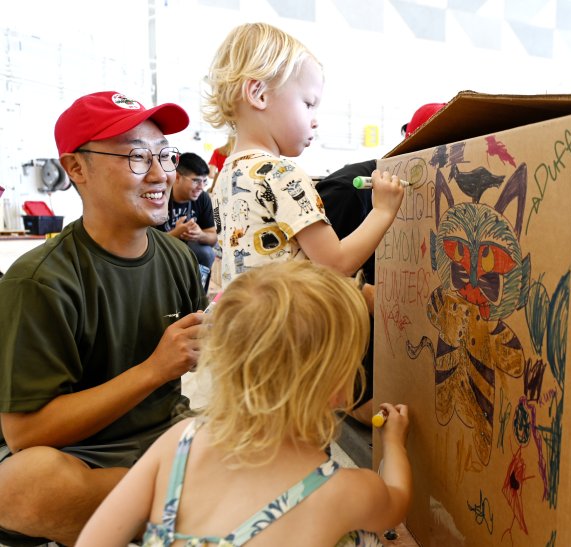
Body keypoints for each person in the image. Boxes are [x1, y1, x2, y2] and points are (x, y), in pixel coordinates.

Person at [76, 260, 412, 546]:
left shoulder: (180, 441)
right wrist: (394, 442)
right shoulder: (341, 490)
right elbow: (395, 503)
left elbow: (93, 540)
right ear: (337, 387)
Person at [0, 91, 206, 547]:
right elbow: (26, 435)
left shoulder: (177, 257)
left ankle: (149, 515)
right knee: (23, 482)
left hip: (163, 437)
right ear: (75, 169)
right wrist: (155, 369)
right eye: (136, 156)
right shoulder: (39, 280)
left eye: (164, 155)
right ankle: (177, 512)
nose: (159, 174)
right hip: (78, 457)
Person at [202, 22, 405, 293]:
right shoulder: (281, 173)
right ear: (258, 94)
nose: (315, 121)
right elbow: (335, 263)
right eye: (308, 104)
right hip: (289, 328)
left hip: (246, 323)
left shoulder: (228, 174)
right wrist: (383, 210)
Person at [316, 102, 446, 424]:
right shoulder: (346, 191)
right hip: (357, 343)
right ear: (407, 146)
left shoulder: (443, 194)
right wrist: (367, 296)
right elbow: (312, 283)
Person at [158, 151, 217, 293]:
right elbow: (144, 243)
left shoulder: (202, 198)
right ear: (177, 177)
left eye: (204, 181)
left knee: (206, 253)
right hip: (160, 254)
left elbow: (213, 237)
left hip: (188, 254)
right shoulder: (158, 196)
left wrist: (200, 235)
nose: (201, 187)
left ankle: (199, 296)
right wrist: (175, 234)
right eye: (196, 180)